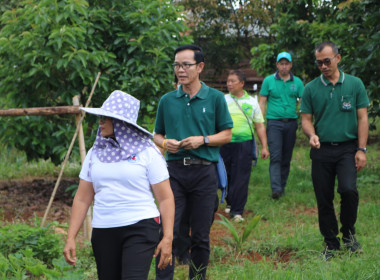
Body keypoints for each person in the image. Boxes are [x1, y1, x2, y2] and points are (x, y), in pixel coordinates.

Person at [63, 90, 175, 279]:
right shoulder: (95, 153)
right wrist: (70, 237)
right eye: (100, 117)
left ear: (121, 123)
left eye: (105, 118)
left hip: (141, 225)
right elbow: (82, 199)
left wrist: (168, 238)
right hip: (104, 229)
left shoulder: (147, 152)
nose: (100, 122)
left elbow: (165, 198)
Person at [153, 44, 233, 280]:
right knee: (168, 231)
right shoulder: (167, 100)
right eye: (177, 65)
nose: (180, 70)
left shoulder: (216, 98)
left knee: (200, 235)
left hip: (204, 173)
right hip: (174, 172)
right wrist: (166, 143)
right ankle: (163, 277)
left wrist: (203, 140)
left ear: (200, 67)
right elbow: (156, 134)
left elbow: (227, 134)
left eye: (186, 65)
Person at [300, 41, 369, 260]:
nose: (323, 66)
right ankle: (331, 242)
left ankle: (348, 234)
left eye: (327, 61)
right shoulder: (310, 88)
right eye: (319, 62)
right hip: (321, 149)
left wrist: (361, 149)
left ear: (338, 58)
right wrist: (312, 135)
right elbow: (306, 120)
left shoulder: (355, 84)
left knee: (348, 190)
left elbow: (362, 117)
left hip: (348, 149)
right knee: (324, 197)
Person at [221, 70, 269, 222]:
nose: (229, 84)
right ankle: (229, 201)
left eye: (232, 81)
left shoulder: (252, 102)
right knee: (226, 174)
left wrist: (264, 146)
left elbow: (259, 126)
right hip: (224, 143)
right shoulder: (222, 100)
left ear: (242, 83)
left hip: (244, 144)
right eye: (228, 81)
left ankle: (237, 211)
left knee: (241, 176)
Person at [259, 51, 304, 199]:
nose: (284, 67)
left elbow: (304, 101)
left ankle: (282, 186)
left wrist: (306, 120)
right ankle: (276, 189)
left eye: (287, 64)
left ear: (290, 65)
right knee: (276, 156)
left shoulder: (297, 82)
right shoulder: (268, 81)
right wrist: (260, 120)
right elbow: (262, 101)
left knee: (286, 157)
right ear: (277, 65)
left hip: (291, 122)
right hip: (274, 122)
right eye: (281, 64)